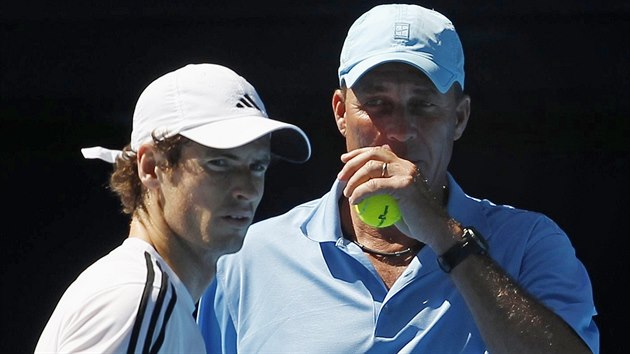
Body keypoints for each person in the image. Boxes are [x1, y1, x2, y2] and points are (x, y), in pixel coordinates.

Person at [198, 4, 600, 354]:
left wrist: (447, 239)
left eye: (422, 105)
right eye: (377, 104)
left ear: (458, 118)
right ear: (341, 112)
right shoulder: (248, 258)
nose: (399, 131)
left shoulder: (530, 243)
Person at [34, 63, 311, 353]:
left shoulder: (147, 297)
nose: (248, 190)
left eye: (257, 166)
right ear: (151, 167)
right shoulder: (139, 300)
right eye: (219, 163)